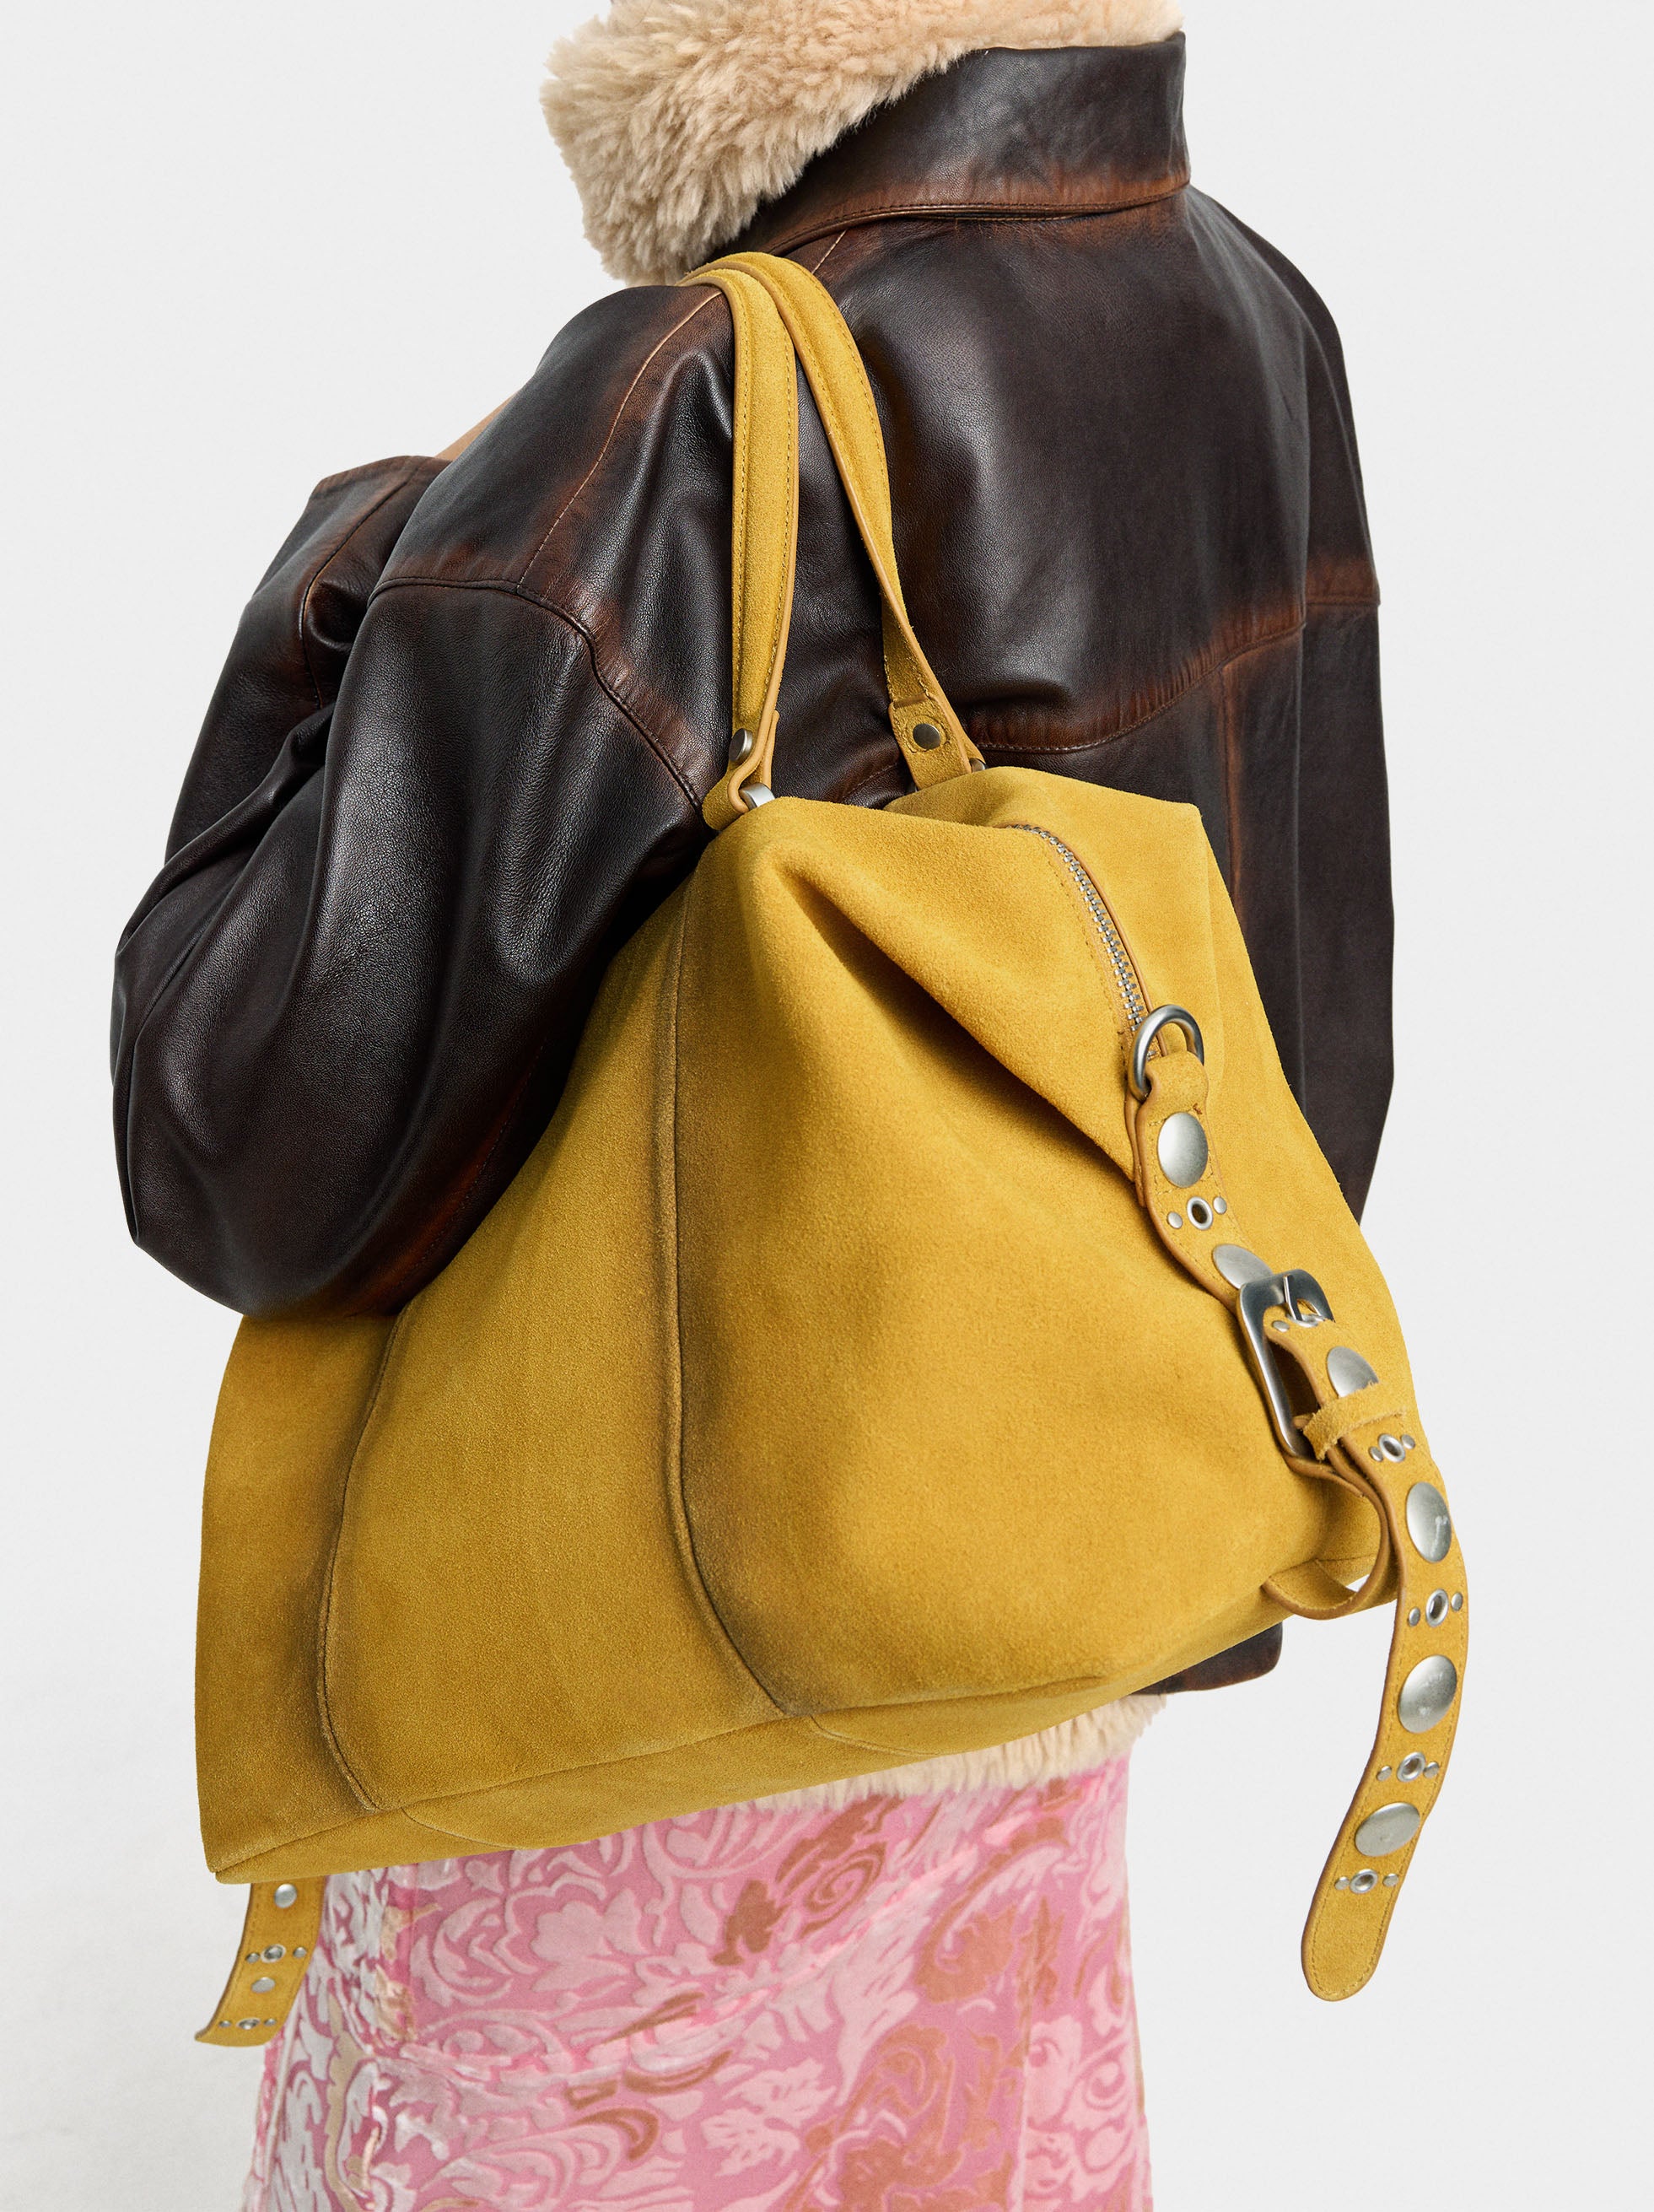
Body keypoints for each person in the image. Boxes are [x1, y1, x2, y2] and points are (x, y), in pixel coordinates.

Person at [112, 6, 1390, 2204]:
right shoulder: (1246, 302)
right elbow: (1286, 1011)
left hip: (675, 1664)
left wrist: (356, 576)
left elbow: (241, 1153)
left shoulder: (691, 387)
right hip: (1035, 1589)